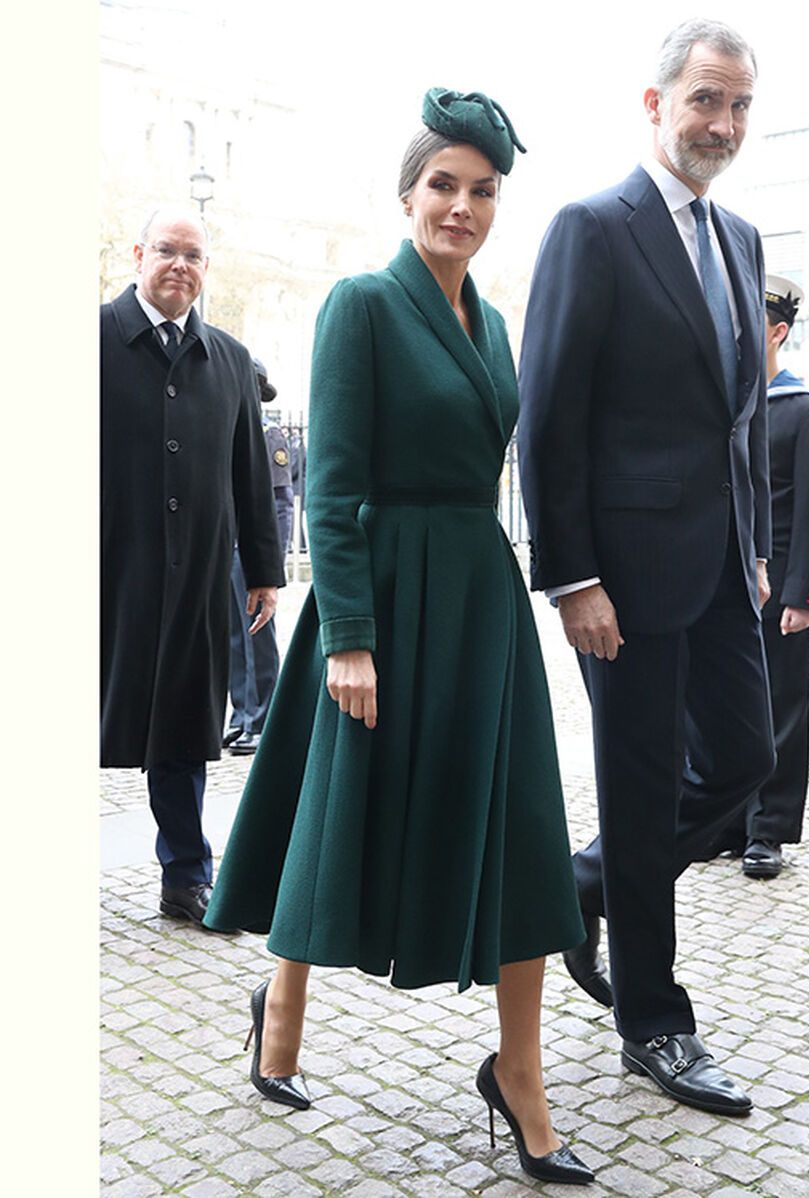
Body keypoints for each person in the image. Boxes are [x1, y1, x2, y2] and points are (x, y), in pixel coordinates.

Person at [204, 89, 594, 1186]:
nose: (460, 206)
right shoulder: (360, 304)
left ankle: (520, 1074)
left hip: (478, 598)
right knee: (339, 810)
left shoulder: (499, 324)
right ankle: (281, 1005)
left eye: (481, 190)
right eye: (442, 185)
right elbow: (329, 485)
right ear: (408, 193)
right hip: (380, 598)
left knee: (518, 827)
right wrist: (349, 636)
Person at [517, 18, 775, 1117]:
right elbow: (549, 414)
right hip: (620, 577)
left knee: (744, 762)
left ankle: (583, 885)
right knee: (634, 783)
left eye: (738, 106)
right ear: (654, 104)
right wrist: (573, 576)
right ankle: (653, 1022)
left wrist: (755, 546)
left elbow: (742, 417)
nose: (720, 123)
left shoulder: (743, 237)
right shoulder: (592, 227)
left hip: (720, 564)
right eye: (704, 100)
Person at [101, 207, 284, 927]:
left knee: (182, 729)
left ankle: (186, 876)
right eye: (168, 251)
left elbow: (249, 480)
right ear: (139, 254)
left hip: (196, 583)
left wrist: (264, 571)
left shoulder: (232, 362)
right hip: (103, 577)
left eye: (195, 255)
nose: (182, 264)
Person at [722, 275, 809, 878]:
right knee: (724, 708)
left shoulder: (805, 412)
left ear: (778, 330)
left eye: (751, 320)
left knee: (781, 709)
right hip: (724, 586)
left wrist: (807, 597)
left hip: (782, 595)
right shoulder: (726, 405)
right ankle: (726, 820)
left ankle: (767, 828)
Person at [224, 359, 294, 756]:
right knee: (234, 634)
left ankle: (263, 718)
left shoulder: (267, 434)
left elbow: (279, 504)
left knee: (257, 635)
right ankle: (241, 716)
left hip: (251, 551)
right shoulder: (230, 428)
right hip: (228, 544)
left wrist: (272, 561)